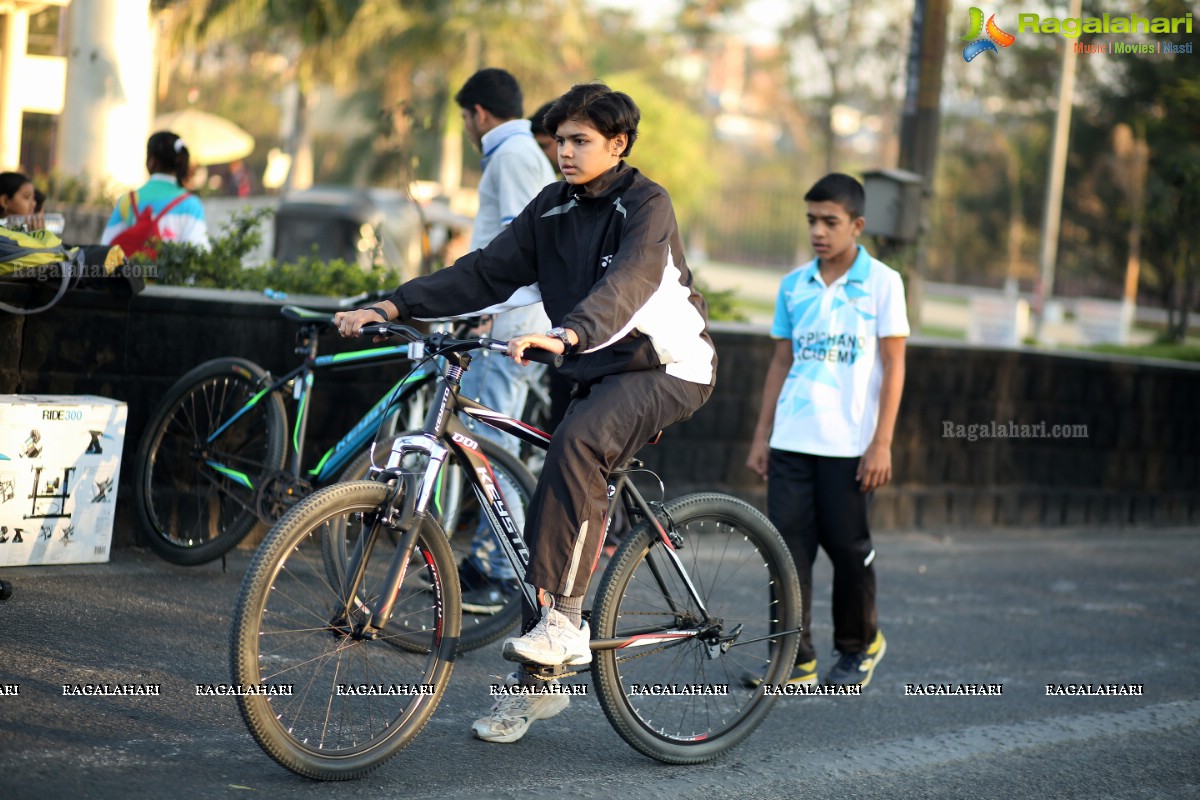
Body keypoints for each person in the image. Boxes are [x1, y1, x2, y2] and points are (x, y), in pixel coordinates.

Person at [334, 82, 716, 743]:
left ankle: (565, 624)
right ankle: (538, 688)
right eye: (559, 141)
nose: (564, 153)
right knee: (546, 514)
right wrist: (390, 305)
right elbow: (484, 273)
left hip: (664, 365)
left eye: (579, 141)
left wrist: (567, 335)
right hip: (592, 360)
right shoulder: (552, 207)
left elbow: (625, 287)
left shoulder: (646, 205)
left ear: (617, 144)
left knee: (577, 449)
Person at [743, 173, 908, 689]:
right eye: (812, 220)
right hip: (793, 440)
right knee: (786, 552)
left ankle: (860, 645)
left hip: (849, 447)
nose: (818, 230)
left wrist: (881, 442)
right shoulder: (793, 285)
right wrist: (762, 435)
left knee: (847, 549)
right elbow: (780, 362)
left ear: (857, 225)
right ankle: (796, 659)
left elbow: (894, 365)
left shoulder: (883, 283)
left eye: (830, 222)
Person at [450, 68, 557, 615]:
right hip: (507, 322)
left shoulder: (512, 154)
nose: (467, 127)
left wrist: (491, 317)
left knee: (495, 454)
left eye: (465, 118)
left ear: (478, 113)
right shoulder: (515, 153)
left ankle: (498, 572)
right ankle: (486, 565)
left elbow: (520, 245)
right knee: (492, 450)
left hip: (510, 327)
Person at [101, 131, 209, 251]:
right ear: (180, 162)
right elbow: (199, 252)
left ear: (151, 162)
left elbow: (106, 247)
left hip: (135, 269)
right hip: (172, 270)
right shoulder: (191, 204)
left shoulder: (128, 201)